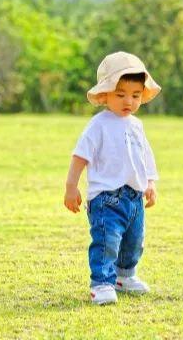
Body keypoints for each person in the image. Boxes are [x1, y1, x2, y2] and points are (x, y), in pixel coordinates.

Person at [64, 51, 161, 305]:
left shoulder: (136, 125)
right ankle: (102, 284)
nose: (128, 101)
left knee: (134, 241)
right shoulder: (99, 125)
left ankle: (124, 276)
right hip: (106, 199)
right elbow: (80, 156)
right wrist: (71, 187)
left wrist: (150, 182)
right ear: (105, 93)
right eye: (121, 95)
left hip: (134, 197)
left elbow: (145, 156)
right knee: (107, 242)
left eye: (135, 95)